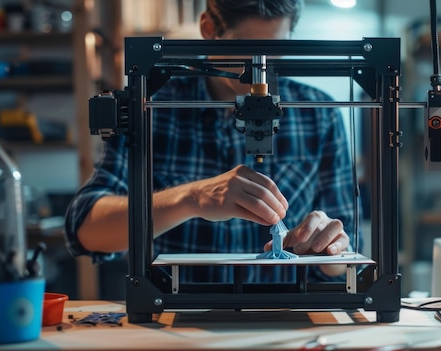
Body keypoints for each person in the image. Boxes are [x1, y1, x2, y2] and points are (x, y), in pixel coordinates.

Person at [64, 0, 360, 284]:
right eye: (244, 51)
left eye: (275, 52)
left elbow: (345, 253)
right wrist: (190, 198)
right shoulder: (152, 107)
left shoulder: (318, 113)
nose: (260, 68)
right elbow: (85, 228)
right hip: (178, 319)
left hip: (286, 316)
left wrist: (327, 247)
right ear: (209, 29)